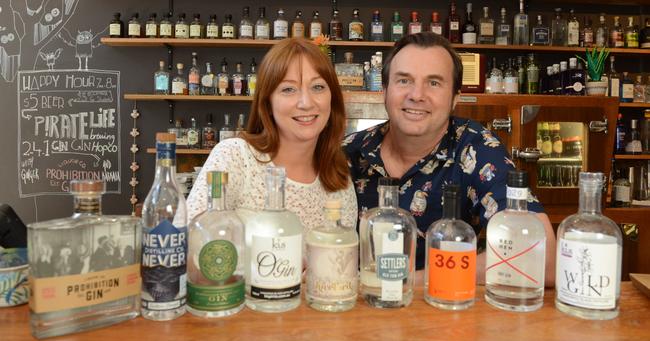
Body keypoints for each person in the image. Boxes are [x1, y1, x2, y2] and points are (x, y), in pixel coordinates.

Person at [343, 33, 556, 286]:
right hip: (357, 309)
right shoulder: (349, 152)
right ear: (384, 91)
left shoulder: (476, 149)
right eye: (403, 80)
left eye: (434, 83)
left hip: (445, 309)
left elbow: (545, 259)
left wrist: (411, 282)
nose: (417, 94)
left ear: (455, 98)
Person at [187, 37, 357, 234]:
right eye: (288, 89)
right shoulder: (235, 156)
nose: (306, 103)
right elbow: (187, 240)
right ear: (267, 104)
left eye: (318, 87)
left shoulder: (339, 180)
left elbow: (341, 259)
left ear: (332, 98)